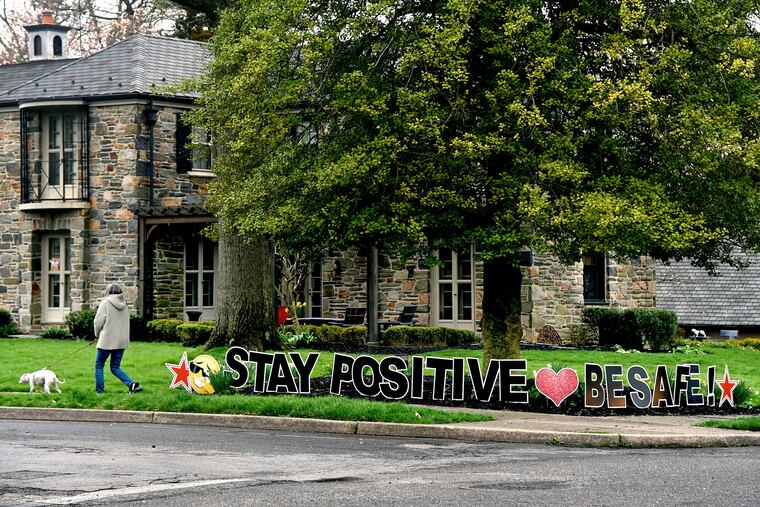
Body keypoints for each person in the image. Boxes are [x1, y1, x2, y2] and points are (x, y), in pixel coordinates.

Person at [93, 283, 142, 394]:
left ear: (108, 291)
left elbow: (98, 322)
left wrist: (96, 334)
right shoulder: (124, 304)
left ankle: (99, 392)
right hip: (121, 341)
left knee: (99, 365)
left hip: (107, 340)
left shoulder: (105, 303)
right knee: (115, 367)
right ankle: (132, 385)